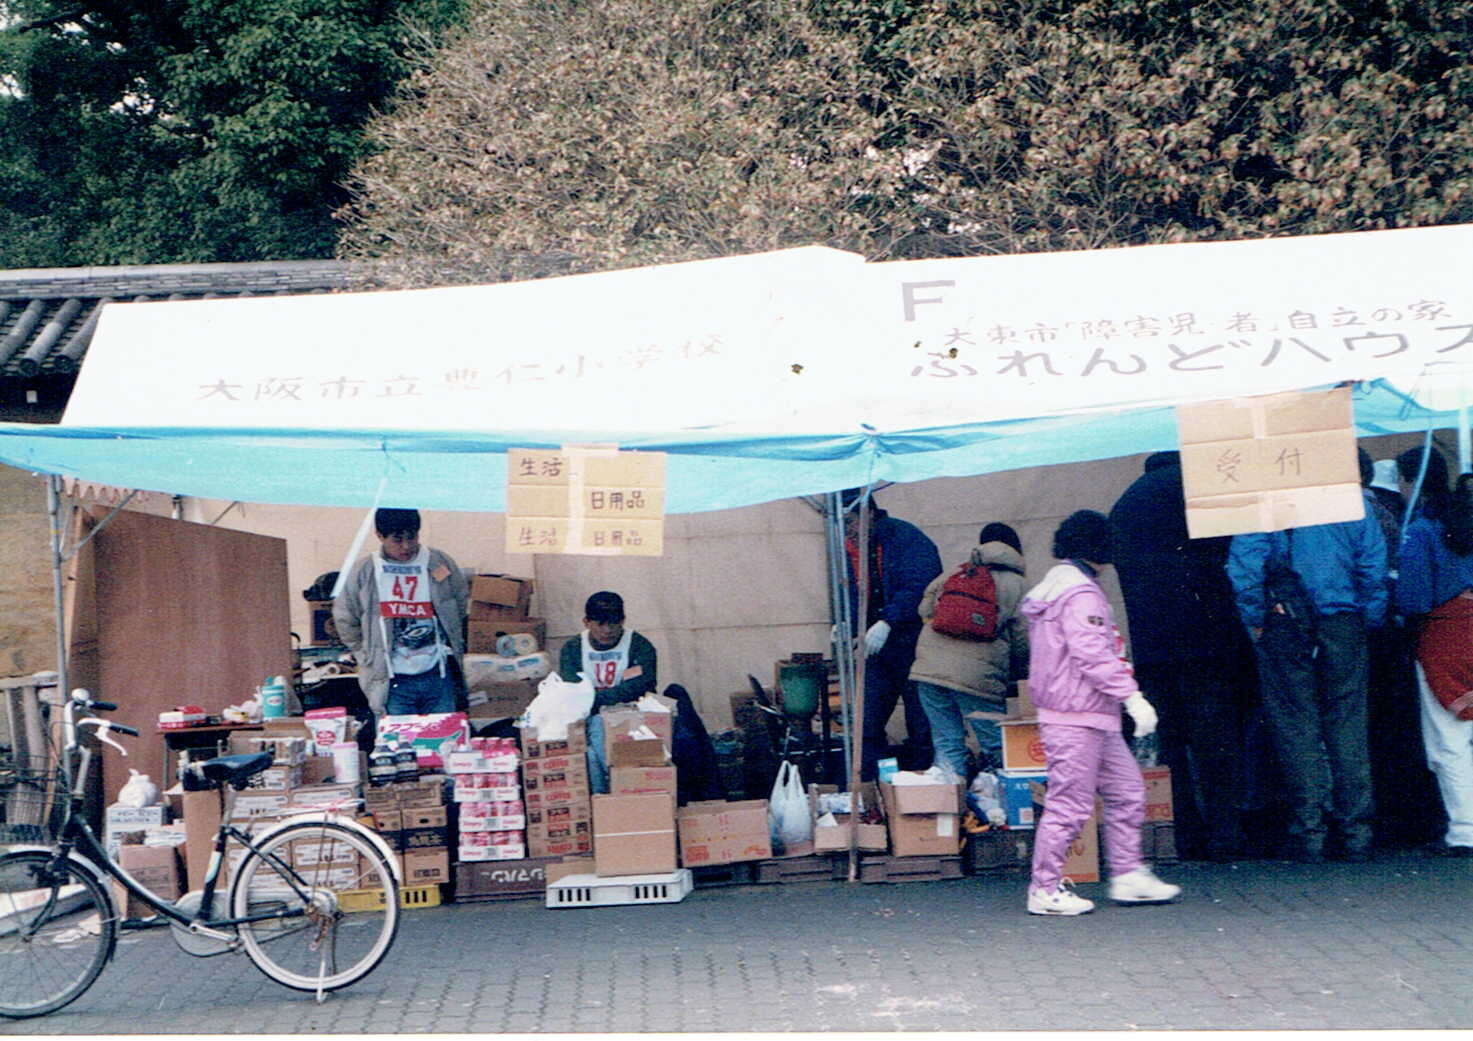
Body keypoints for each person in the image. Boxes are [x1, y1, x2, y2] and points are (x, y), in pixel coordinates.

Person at [1021, 510, 1181, 915]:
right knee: (1071, 804)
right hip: (1079, 715)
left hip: (1084, 714)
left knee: (1126, 791)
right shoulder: (1082, 594)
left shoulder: (1058, 587)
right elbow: (1092, 653)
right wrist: (1132, 696)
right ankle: (1044, 888)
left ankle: (1127, 874)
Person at [1226, 497, 1388, 862]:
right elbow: (1374, 565)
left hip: (1285, 622)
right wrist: (1368, 617)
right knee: (1348, 726)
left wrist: (1256, 621)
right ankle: (1357, 834)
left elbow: (1245, 568)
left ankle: (1310, 832)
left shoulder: (1264, 501)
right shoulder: (1353, 501)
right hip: (1344, 620)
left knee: (1296, 727)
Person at [1108, 451, 1251, 861]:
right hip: (1204, 636)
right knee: (1215, 739)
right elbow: (1227, 553)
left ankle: (1184, 835)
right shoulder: (1196, 490)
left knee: (1169, 743)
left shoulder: (1125, 503)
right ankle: (1226, 835)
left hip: (1151, 644)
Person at [909, 522, 1029, 779]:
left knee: (947, 744)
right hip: (977, 677)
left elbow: (924, 611)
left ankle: (950, 812)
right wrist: (1021, 674)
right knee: (997, 745)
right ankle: (1007, 809)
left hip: (929, 670)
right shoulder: (1018, 584)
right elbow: (1022, 638)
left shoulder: (957, 572)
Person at [1396, 468, 1473, 857]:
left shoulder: (1423, 530)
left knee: (1450, 739)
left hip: (1445, 636)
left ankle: (1465, 831)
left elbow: (1413, 598)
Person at [842, 488, 943, 781]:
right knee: (867, 722)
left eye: (850, 522)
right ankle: (873, 786)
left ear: (868, 514)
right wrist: (847, 623)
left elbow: (919, 585)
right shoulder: (853, 547)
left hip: (913, 644)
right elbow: (850, 589)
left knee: (920, 721)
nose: (847, 530)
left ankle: (926, 787)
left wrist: (889, 621)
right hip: (875, 649)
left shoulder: (906, 538)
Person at [334, 508, 469, 716]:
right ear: (380, 536)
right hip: (391, 678)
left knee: (443, 738)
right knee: (396, 741)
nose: (406, 546)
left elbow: (459, 600)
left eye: (412, 537)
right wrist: (366, 654)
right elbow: (345, 617)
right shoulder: (366, 570)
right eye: (397, 540)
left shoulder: (438, 561)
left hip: (438, 672)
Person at [557, 591, 657, 794]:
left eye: (613, 624)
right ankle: (611, 794)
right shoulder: (573, 648)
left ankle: (615, 789)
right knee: (590, 755)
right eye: (600, 624)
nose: (608, 630)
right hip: (589, 715)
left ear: (623, 621)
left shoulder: (639, 645)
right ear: (586, 622)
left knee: (599, 739)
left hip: (632, 716)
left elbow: (641, 685)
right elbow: (571, 689)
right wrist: (602, 701)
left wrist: (597, 699)